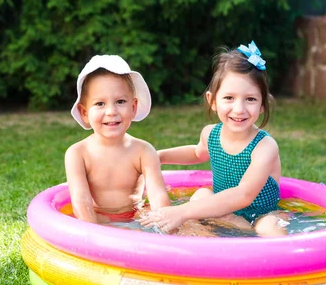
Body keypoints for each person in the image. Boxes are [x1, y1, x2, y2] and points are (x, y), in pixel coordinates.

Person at [141, 41, 285, 237]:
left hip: (260, 216)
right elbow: (196, 152)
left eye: (250, 99)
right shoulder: (211, 134)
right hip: (225, 213)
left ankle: (275, 259)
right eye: (229, 98)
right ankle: (206, 248)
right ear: (213, 101)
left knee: (269, 228)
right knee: (201, 195)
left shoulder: (264, 146)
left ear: (262, 105)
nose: (239, 109)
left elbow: (244, 194)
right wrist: (158, 156)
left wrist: (181, 211)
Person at [64, 54, 171, 224]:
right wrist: (95, 232)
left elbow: (158, 196)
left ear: (133, 107)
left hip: (137, 219)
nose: (111, 111)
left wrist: (163, 224)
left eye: (120, 101)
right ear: (84, 113)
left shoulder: (143, 151)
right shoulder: (78, 154)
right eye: (100, 104)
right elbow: (81, 202)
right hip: (100, 221)